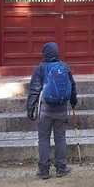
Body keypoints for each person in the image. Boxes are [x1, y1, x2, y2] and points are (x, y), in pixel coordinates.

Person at [26, 42, 78, 179]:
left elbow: (34, 89)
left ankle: (44, 170)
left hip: (45, 110)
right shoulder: (64, 67)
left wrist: (30, 108)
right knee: (60, 138)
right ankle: (61, 168)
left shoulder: (40, 69)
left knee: (43, 139)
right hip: (61, 108)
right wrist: (73, 102)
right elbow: (72, 86)